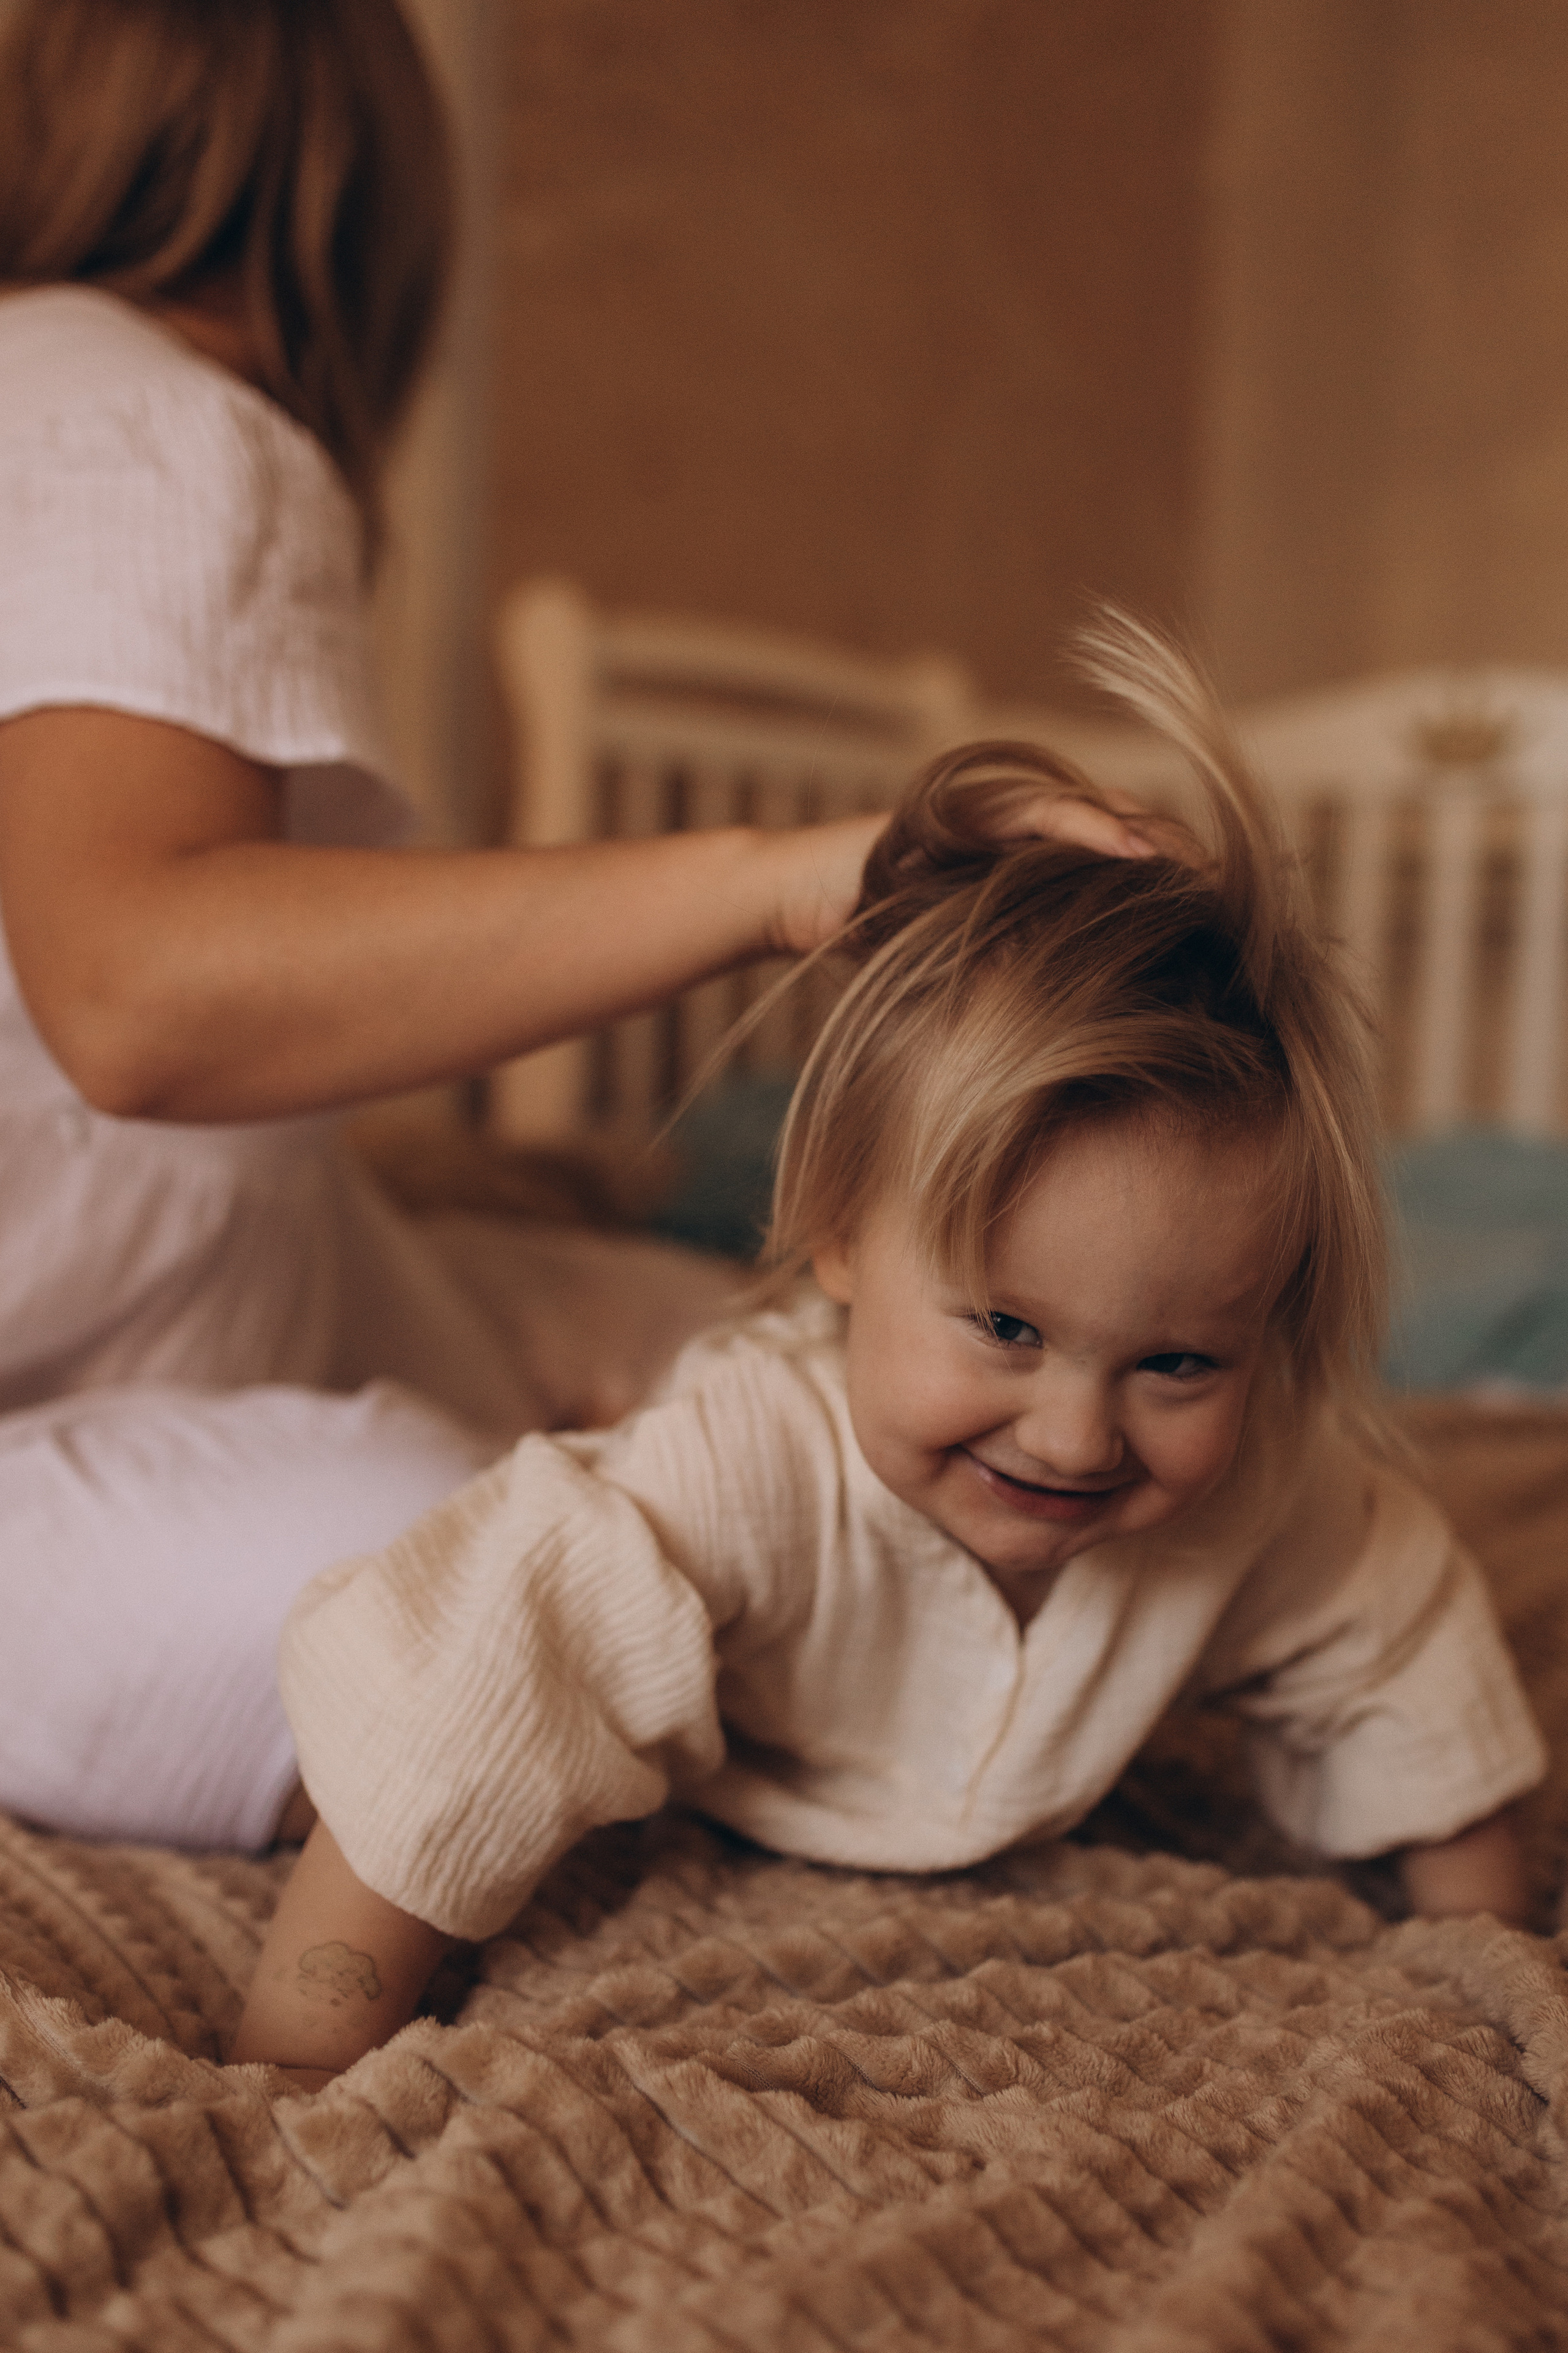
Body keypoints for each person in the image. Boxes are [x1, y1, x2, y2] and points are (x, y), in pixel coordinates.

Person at [0, 0, 1128, 1855]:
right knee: (503, 1587)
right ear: (370, 201)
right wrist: (779, 878)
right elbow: (135, 1000)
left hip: (123, 1320)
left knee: (741, 1367)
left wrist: (550, 1326)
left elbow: (115, 1133)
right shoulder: (165, 431)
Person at [231, 614, 1547, 2088]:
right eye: (1004, 1327)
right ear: (840, 1233)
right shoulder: (740, 1466)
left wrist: (1479, 1953)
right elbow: (464, 1696)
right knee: (562, 1383)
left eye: (1176, 1363)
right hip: (722, 1569)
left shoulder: (1265, 1494)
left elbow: (1397, 1648)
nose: (1071, 1437)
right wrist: (296, 2055)